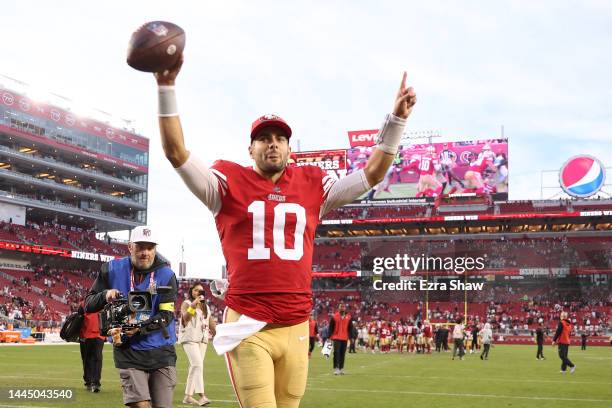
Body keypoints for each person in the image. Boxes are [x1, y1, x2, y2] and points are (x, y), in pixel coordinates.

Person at [153, 53, 416, 407]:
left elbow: (371, 174)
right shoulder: (227, 182)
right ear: (251, 148)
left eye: (279, 138)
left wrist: (397, 119)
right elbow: (176, 153)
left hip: (296, 325)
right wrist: (166, 85)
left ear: (290, 149)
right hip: (249, 324)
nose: (272, 143)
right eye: (264, 138)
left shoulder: (313, 184)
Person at [85, 226, 178, 408]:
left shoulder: (167, 275)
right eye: (140, 247)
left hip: (161, 350)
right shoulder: (111, 270)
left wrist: (140, 328)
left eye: (150, 247)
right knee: (139, 405)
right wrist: (105, 295)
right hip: (128, 349)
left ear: (155, 249)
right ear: (130, 247)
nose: (145, 252)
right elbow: (88, 304)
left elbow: (166, 315)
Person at [178, 282, 217, 406]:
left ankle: (188, 396)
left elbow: (211, 323)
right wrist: (193, 306)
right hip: (189, 338)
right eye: (195, 290)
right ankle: (202, 396)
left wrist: (217, 334)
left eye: (200, 291)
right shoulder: (187, 303)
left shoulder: (206, 307)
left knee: (195, 367)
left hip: (202, 340)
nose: (198, 293)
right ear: (191, 292)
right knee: (197, 364)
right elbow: (186, 318)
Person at [79, 306, 105, 393]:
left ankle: (93, 382)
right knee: (94, 359)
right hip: (89, 336)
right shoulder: (84, 304)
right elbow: (79, 319)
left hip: (95, 335)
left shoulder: (103, 303)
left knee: (91, 359)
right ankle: (91, 382)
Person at [327, 303, 353, 375]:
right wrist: (328, 337)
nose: (343, 308)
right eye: (341, 307)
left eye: (344, 307)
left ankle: (341, 368)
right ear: (339, 308)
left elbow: (350, 328)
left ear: (345, 308)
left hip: (344, 338)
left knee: (342, 353)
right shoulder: (334, 317)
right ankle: (336, 368)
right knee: (336, 353)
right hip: (336, 337)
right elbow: (330, 328)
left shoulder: (349, 317)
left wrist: (351, 337)